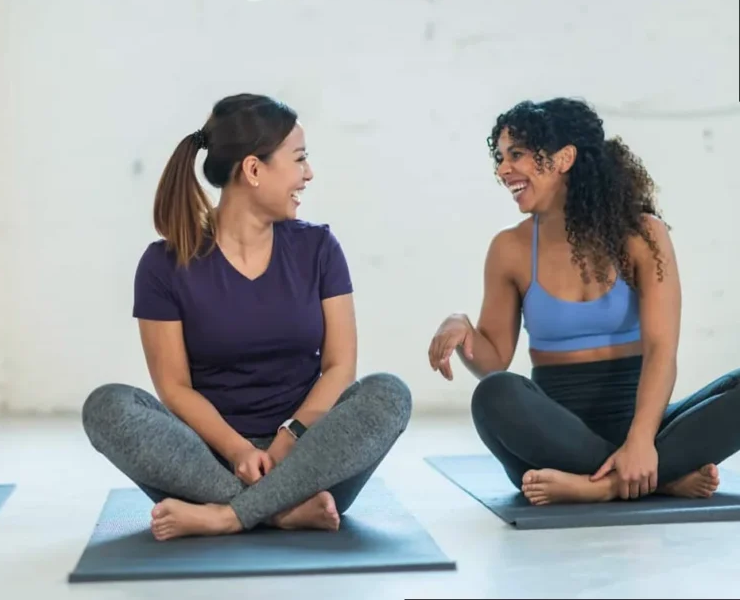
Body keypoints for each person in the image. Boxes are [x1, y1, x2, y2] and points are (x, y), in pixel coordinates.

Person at [82, 93, 412, 541]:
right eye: (299, 160)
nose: (308, 173)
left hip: (311, 457)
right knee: (107, 406)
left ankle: (227, 515)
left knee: (388, 394)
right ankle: (279, 511)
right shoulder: (163, 264)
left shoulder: (318, 248)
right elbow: (174, 387)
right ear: (254, 170)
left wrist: (290, 437)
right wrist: (237, 449)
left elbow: (339, 367)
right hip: (206, 460)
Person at [428, 98, 739, 506]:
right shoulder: (510, 248)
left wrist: (642, 440)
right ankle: (658, 479)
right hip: (553, 434)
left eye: (516, 155)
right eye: (500, 158)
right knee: (494, 395)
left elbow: (662, 349)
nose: (503, 170)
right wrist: (461, 326)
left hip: (641, 422)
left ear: (564, 158)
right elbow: (492, 362)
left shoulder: (643, 234)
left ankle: (602, 485)